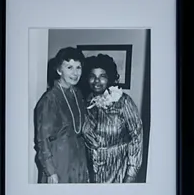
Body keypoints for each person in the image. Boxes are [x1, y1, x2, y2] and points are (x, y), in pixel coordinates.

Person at [82, 54, 145, 184]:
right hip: (90, 173)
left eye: (102, 76)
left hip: (118, 171)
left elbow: (136, 137)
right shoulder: (84, 103)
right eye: (92, 76)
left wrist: (131, 174)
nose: (97, 81)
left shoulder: (123, 101)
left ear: (109, 77)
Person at [33, 47, 90, 184]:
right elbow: (42, 140)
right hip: (58, 161)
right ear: (59, 70)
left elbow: (81, 127)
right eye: (69, 67)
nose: (75, 73)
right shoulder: (49, 100)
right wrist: (51, 172)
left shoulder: (78, 94)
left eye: (78, 67)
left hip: (79, 159)